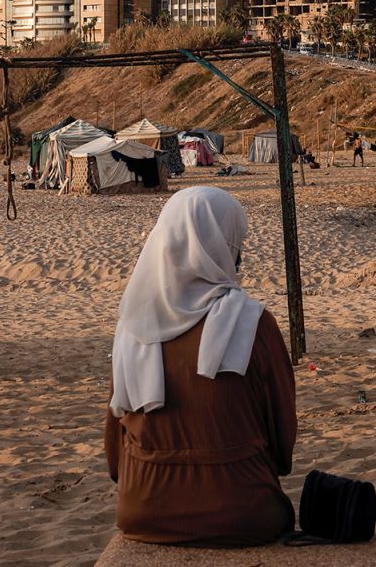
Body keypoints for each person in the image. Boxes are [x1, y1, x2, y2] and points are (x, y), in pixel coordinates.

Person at [105, 187, 296, 547]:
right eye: (235, 243)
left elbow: (114, 455)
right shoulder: (254, 324)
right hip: (244, 512)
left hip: (142, 510)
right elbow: (282, 441)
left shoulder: (131, 326)